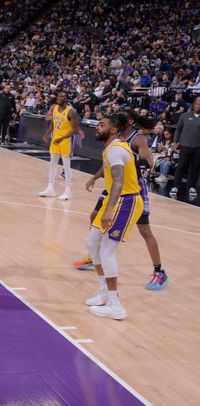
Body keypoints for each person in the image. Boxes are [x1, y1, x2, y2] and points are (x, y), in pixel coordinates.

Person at [80, 111, 168, 290]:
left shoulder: (138, 138)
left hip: (133, 189)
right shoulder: (115, 137)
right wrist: (95, 177)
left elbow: (149, 163)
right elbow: (108, 164)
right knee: (94, 215)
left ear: (128, 121)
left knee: (145, 231)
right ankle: (94, 255)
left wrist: (131, 163)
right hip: (114, 188)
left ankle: (159, 271)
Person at [84, 113, 144, 321]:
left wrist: (108, 210)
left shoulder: (116, 150)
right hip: (116, 199)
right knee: (92, 242)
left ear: (112, 130)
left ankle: (115, 305)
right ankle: (103, 291)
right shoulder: (111, 148)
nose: (96, 127)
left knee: (107, 250)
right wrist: (94, 176)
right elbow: (108, 166)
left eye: (101, 125)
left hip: (126, 201)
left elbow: (118, 182)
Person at [39, 92, 84, 200]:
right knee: (52, 164)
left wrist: (62, 138)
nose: (60, 98)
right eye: (59, 96)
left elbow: (74, 129)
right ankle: (50, 188)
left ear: (66, 98)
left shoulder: (71, 111)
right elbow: (53, 124)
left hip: (65, 141)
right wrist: (46, 134)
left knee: (66, 166)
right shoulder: (54, 108)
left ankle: (68, 191)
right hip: (55, 140)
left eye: (62, 96)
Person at [170, 97, 200, 200]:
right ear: (193, 104)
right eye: (197, 103)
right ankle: (175, 187)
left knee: (195, 168)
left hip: (198, 147)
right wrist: (175, 142)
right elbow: (178, 130)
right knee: (181, 167)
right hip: (185, 146)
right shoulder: (185, 116)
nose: (198, 105)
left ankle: (192, 187)